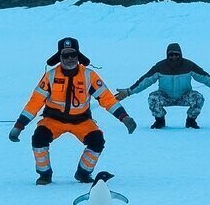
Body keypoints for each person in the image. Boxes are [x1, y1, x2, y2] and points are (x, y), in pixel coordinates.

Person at [8, 37, 137, 185]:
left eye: (73, 55)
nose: (69, 58)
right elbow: (35, 102)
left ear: (78, 56)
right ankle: (44, 175)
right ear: (59, 57)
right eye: (65, 55)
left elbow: (107, 98)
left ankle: (83, 173)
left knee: (97, 141)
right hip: (53, 120)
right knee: (38, 138)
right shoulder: (50, 76)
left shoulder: (90, 76)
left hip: (82, 121)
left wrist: (124, 117)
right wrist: (19, 126)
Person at [115, 43, 210, 129]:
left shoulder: (189, 65)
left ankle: (191, 121)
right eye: (171, 55)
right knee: (153, 97)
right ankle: (160, 121)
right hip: (165, 96)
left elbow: (205, 78)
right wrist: (128, 92)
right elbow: (145, 81)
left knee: (198, 97)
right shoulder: (160, 66)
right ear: (167, 55)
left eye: (176, 55)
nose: (174, 57)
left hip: (184, 96)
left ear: (180, 54)